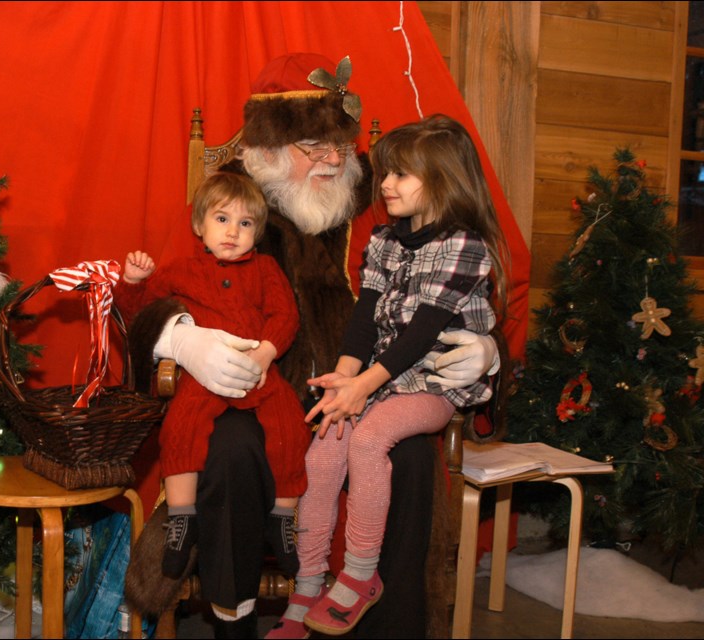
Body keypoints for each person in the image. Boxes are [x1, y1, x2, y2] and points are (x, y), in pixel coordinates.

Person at [128, 53, 500, 639]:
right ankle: (235, 623)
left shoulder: (378, 209)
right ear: (272, 150)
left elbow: (446, 291)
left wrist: (487, 349)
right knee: (227, 448)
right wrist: (183, 338)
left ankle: (389, 628)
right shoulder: (230, 205)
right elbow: (158, 293)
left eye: (340, 146)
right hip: (253, 391)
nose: (333, 161)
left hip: (374, 391)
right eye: (313, 147)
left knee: (408, 455)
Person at [268, 114, 509, 638]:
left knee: (369, 439)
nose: (386, 186)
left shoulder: (464, 246)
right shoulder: (384, 240)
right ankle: (309, 585)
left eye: (401, 175)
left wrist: (362, 387)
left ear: (443, 179)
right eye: (385, 174)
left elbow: (421, 335)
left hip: (434, 383)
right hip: (380, 378)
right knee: (325, 445)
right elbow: (363, 319)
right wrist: (343, 380)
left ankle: (359, 576)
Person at [115, 172, 310, 581]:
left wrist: (265, 353)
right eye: (222, 220)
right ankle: (182, 519)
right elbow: (142, 317)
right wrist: (131, 283)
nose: (232, 232)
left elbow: (285, 314)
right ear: (199, 226)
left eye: (245, 224)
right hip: (202, 377)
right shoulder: (178, 272)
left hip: (257, 372)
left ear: (257, 234)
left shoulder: (266, 269)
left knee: (290, 428)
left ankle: (283, 518)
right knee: (180, 427)